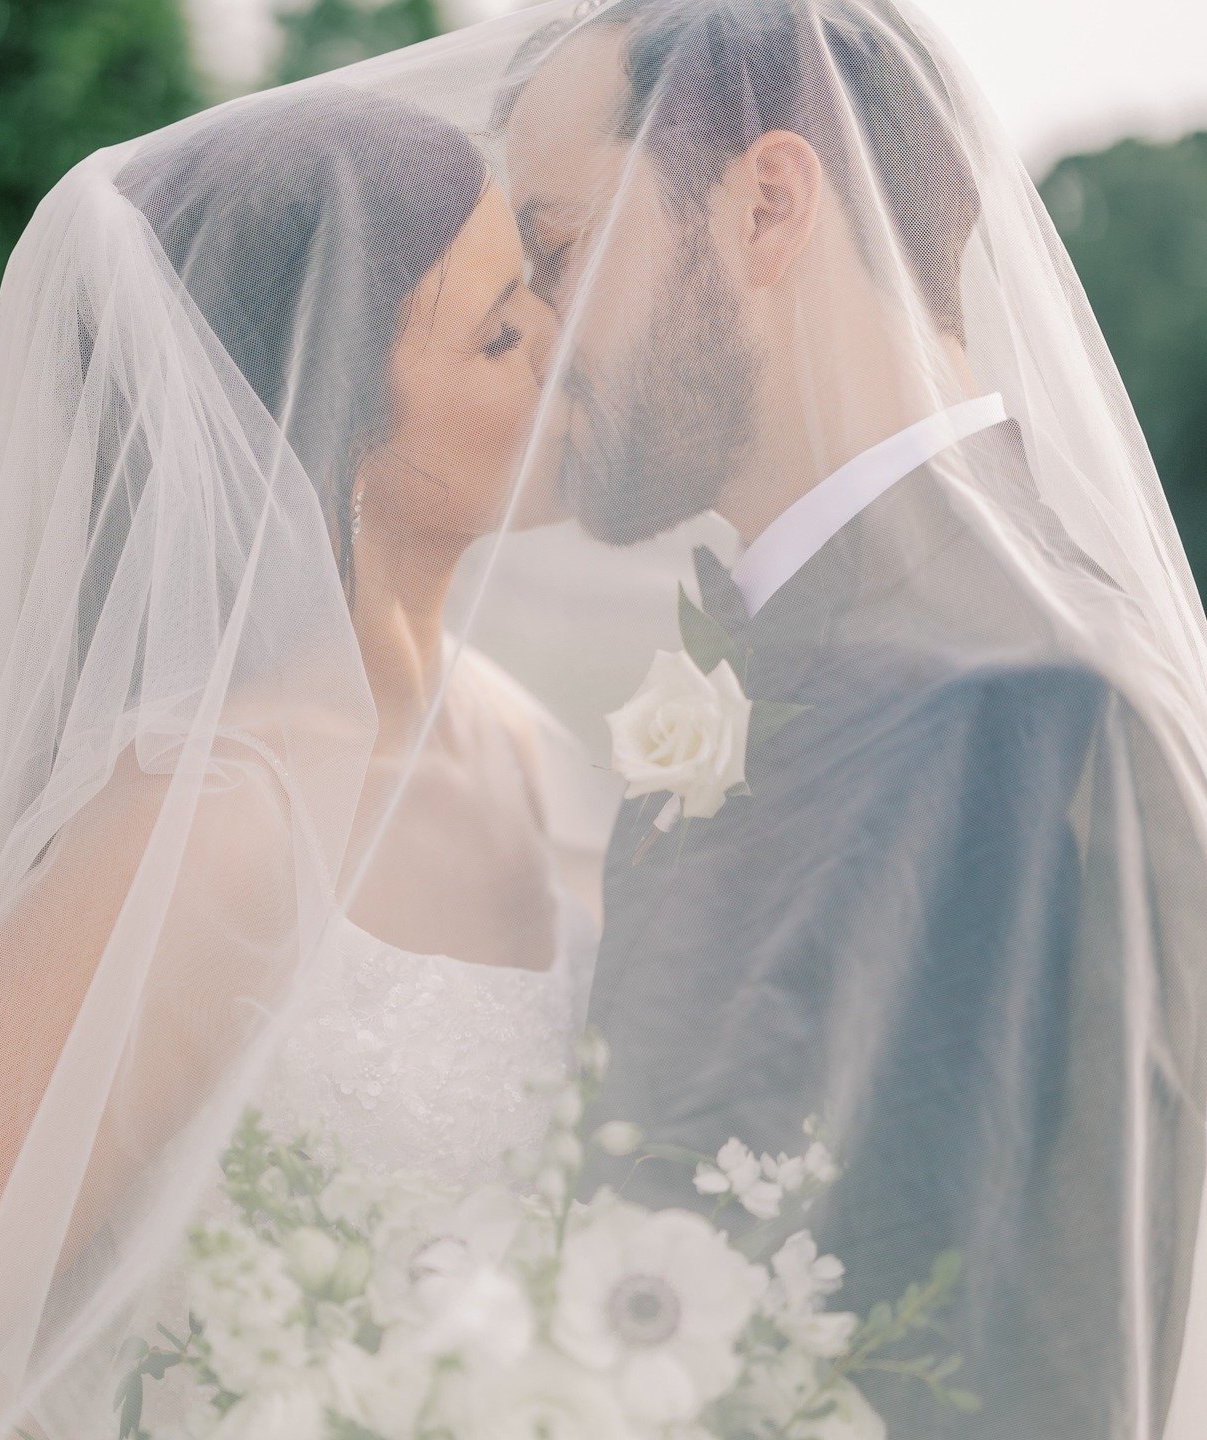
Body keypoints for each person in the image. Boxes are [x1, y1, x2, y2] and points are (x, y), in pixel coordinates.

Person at [0, 85, 601, 1440]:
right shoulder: (218, 821)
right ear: (341, 427)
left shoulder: (529, 744)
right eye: (504, 330)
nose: (568, 353)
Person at [498, 0, 1207, 1436]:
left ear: (767, 203)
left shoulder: (1031, 704)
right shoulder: (794, 658)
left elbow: (1045, 1372)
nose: (532, 330)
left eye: (560, 250)